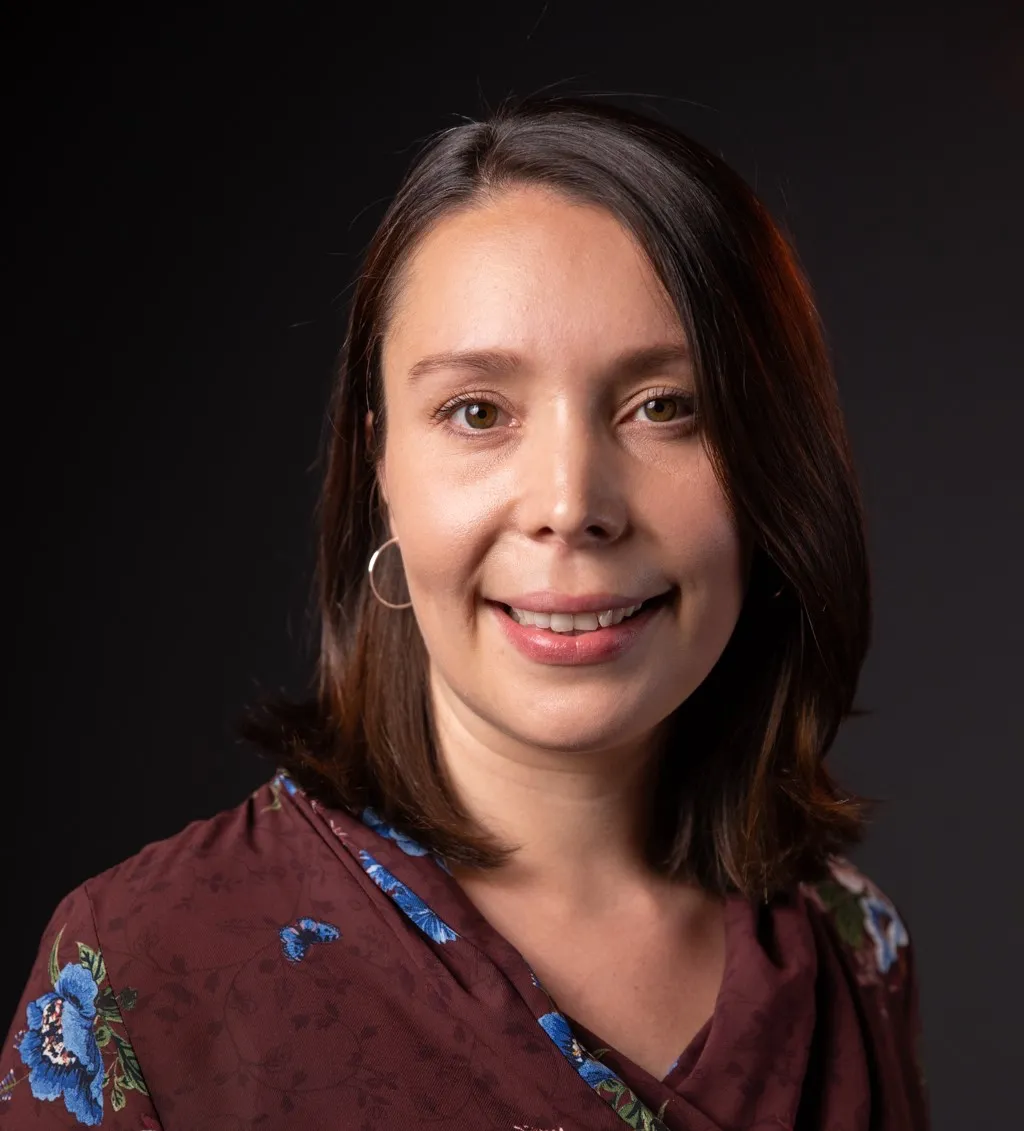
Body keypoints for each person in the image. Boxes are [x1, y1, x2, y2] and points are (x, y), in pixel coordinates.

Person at [3, 95, 929, 1130]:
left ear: (772, 468)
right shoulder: (142, 971)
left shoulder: (848, 948)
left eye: (665, 406)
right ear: (381, 467)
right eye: (477, 412)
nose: (572, 505)